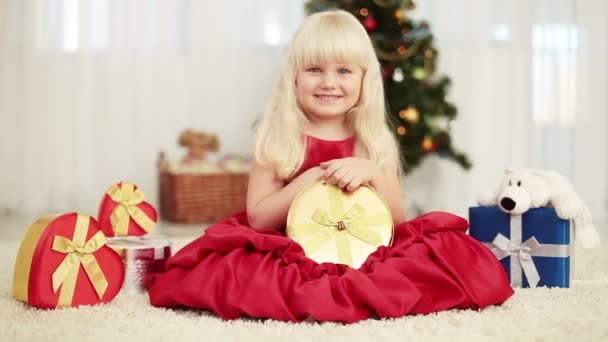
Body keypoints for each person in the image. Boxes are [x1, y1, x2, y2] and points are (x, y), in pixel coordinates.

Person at [147, 10, 513, 323]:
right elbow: (258, 219)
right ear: (294, 77)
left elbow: (399, 219)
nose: (328, 83)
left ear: (364, 79)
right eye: (314, 69)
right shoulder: (278, 137)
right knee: (238, 270)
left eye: (343, 71)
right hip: (296, 248)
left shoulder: (373, 139)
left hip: (365, 247)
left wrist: (372, 172)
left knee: (445, 251)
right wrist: (307, 180)